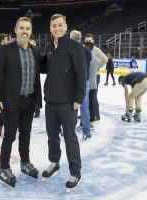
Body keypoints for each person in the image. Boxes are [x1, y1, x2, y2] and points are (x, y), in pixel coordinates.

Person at [0, 17, 42, 187]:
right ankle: (4, 168)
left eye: (28, 28)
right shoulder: (6, 50)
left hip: (29, 101)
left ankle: (25, 162)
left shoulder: (35, 51)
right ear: (16, 30)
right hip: (11, 102)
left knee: (26, 134)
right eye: (22, 28)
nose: (25, 31)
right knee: (10, 136)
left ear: (31, 31)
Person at [41, 14, 86, 189]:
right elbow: (47, 69)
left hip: (68, 103)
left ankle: (75, 172)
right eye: (54, 25)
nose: (57, 28)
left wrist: (78, 98)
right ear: (50, 27)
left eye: (60, 25)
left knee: (70, 138)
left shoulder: (74, 46)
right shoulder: (50, 46)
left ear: (66, 27)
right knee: (52, 136)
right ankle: (54, 162)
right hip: (51, 101)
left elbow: (81, 75)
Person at [70, 30, 91, 140]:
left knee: (71, 108)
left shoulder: (70, 49)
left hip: (72, 82)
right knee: (84, 108)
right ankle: (86, 133)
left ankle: (68, 130)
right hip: (85, 81)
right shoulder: (87, 50)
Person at [84, 33, 107, 121]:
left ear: (93, 41)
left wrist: (97, 67)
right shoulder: (84, 48)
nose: (88, 42)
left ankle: (96, 115)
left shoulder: (96, 50)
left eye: (90, 40)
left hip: (94, 76)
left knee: (93, 96)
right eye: (86, 40)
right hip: (86, 75)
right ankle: (86, 113)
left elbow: (105, 59)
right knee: (86, 96)